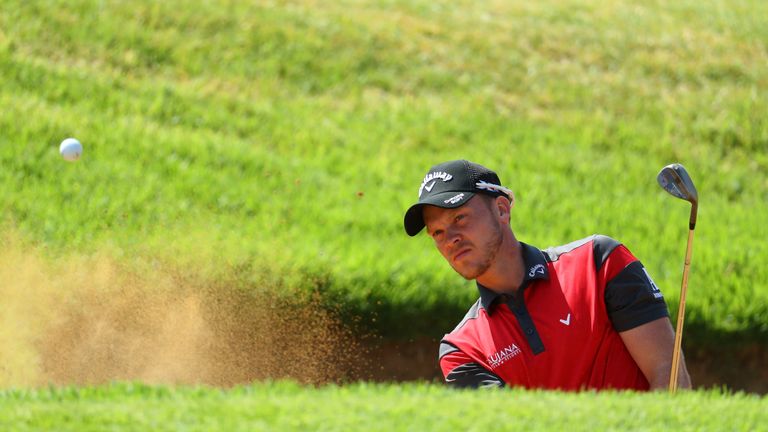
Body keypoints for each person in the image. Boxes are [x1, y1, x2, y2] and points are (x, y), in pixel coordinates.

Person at [403, 159, 691, 391]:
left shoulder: (599, 261)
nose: (450, 238)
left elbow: (667, 373)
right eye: (437, 233)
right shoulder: (462, 350)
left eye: (459, 218)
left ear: (502, 209)